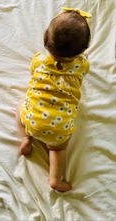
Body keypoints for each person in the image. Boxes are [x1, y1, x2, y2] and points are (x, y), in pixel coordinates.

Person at [16, 8, 91, 192]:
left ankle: (26, 138)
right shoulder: (80, 65)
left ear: (46, 42)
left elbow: (32, 71)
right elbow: (84, 69)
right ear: (82, 50)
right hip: (59, 128)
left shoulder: (38, 62)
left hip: (33, 119)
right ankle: (55, 179)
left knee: (19, 109)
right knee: (57, 150)